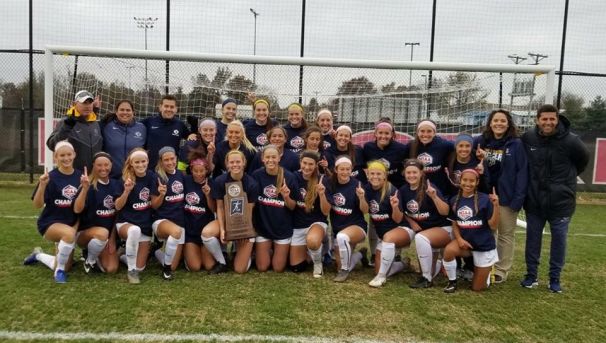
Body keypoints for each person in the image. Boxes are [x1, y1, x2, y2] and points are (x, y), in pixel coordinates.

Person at [520, 104, 589, 293]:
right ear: (537, 120)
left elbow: (582, 162)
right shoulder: (528, 138)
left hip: (561, 202)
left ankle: (554, 278)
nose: (548, 122)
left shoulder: (572, 141)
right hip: (534, 200)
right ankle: (531, 276)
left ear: (557, 119)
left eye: (552, 119)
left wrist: (564, 184)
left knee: (559, 240)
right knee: (532, 240)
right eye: (544, 119)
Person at [474, 109, 527, 283]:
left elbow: (521, 172)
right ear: (490, 123)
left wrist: (518, 198)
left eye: (502, 121)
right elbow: (463, 151)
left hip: (506, 196)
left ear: (508, 123)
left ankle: (502, 270)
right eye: (495, 120)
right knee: (488, 232)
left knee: (505, 234)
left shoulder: (516, 144)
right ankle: (485, 266)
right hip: (484, 194)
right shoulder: (481, 142)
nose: (499, 124)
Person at [24, 141, 82, 283]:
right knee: (68, 235)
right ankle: (59, 272)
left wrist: (75, 227)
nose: (66, 158)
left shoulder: (81, 177)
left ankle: (38, 255)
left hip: (71, 225)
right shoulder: (50, 177)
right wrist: (42, 185)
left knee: (66, 263)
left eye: (69, 154)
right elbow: (37, 205)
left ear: (74, 155)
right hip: (50, 223)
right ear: (56, 157)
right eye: (62, 155)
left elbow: (83, 209)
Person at [442, 169, 500, 293]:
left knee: (477, 288)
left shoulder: (484, 199)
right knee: (448, 251)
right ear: (460, 181)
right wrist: (459, 239)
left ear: (477, 182)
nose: (468, 183)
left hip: (483, 246)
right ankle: (452, 282)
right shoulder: (454, 200)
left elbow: (493, 226)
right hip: (466, 245)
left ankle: (486, 273)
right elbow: (454, 223)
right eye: (465, 180)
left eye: (472, 181)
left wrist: (496, 206)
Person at [398, 159, 451, 289]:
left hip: (443, 229)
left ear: (421, 173)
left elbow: (445, 212)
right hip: (426, 233)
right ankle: (437, 264)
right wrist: (412, 222)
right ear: (404, 173)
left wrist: (434, 197)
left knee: (420, 238)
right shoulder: (403, 190)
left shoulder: (429, 187)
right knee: (427, 266)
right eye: (408, 172)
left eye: (414, 172)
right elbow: (402, 212)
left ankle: (426, 279)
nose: (411, 175)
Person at [318, 155, 368, 282]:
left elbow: (365, 210)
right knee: (338, 265)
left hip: (356, 227)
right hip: (338, 229)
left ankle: (345, 270)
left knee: (342, 238)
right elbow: (325, 211)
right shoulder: (329, 183)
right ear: (336, 169)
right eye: (342, 169)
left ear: (351, 170)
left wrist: (362, 198)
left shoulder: (357, 184)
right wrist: (322, 195)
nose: (345, 172)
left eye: (348, 169)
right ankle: (360, 254)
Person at [114, 148, 161, 284]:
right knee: (134, 230)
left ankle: (124, 256)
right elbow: (117, 206)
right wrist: (126, 191)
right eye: (137, 162)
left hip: (144, 226)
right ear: (131, 164)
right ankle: (131, 271)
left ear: (147, 161)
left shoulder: (152, 177)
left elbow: (153, 204)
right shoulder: (124, 179)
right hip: (125, 224)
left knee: (141, 267)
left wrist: (162, 194)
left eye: (143, 161)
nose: (141, 165)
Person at [363, 160, 412, 287]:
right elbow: (364, 211)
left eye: (379, 174)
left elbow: (397, 219)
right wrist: (361, 197)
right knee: (378, 268)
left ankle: (381, 277)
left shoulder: (392, 190)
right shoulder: (366, 189)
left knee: (388, 239)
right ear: (368, 175)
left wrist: (395, 207)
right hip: (384, 236)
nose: (375, 176)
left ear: (385, 175)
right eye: (372, 173)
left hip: (402, 229)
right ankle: (403, 264)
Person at [211, 150, 259, 274]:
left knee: (239, 269)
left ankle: (249, 252)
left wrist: (243, 231)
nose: (235, 165)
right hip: (227, 220)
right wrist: (222, 230)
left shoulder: (252, 183)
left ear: (244, 163)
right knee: (207, 233)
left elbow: (249, 210)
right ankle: (223, 259)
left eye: (238, 161)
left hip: (245, 223)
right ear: (227, 164)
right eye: (231, 162)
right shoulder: (219, 181)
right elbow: (220, 208)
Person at [73, 152, 122, 274]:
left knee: (111, 269)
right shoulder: (87, 184)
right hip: (86, 234)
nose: (103, 168)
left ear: (111, 165)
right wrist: (84, 190)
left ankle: (95, 252)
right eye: (99, 165)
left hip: (105, 236)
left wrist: (112, 239)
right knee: (102, 232)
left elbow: (116, 215)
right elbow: (77, 209)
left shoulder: (116, 184)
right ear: (93, 166)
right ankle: (90, 260)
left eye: (106, 164)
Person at [252, 145, 298, 272]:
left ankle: (279, 250)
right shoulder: (256, 175)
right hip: (263, 228)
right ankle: (267, 249)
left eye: (273, 157)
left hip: (282, 229)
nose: (270, 160)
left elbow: (293, 206)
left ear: (279, 158)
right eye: (267, 157)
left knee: (278, 268)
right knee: (262, 267)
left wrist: (286, 197)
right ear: (262, 159)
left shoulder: (289, 177)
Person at [290, 150, 328, 278]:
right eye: (304, 163)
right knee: (296, 267)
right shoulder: (293, 177)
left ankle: (318, 262)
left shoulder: (322, 180)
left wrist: (322, 195)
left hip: (316, 222)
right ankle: (316, 250)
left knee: (312, 241)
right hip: (298, 225)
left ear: (316, 165)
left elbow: (326, 211)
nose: (307, 167)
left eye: (311, 164)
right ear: (300, 163)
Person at [151, 147, 187, 280]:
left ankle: (156, 252)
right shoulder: (157, 177)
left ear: (176, 158)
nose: (170, 162)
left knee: (174, 265)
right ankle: (166, 270)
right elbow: (154, 205)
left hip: (179, 222)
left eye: (172, 159)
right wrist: (161, 194)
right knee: (176, 231)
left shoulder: (181, 175)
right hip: (162, 221)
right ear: (161, 161)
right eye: (166, 160)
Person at [46, 90, 103, 171]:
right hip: (73, 176)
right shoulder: (66, 122)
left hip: (94, 175)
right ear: (74, 104)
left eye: (89, 103)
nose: (87, 106)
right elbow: (51, 144)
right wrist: (67, 126)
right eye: (84, 103)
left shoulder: (95, 123)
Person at [182, 155, 217, 273]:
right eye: (195, 171)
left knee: (209, 265)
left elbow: (214, 209)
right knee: (195, 267)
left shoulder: (211, 183)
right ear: (191, 170)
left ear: (207, 170)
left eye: (201, 171)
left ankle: (204, 250)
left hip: (204, 232)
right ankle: (185, 253)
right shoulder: (185, 180)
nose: (198, 174)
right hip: (189, 232)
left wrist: (208, 195)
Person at [406, 119, 454, 197]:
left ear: (434, 133)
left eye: (429, 131)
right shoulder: (411, 146)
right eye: (422, 131)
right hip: (417, 190)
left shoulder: (444, 145)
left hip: (439, 189)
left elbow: (461, 146)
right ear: (417, 132)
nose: (425, 134)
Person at [100, 100, 146, 179]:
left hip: (135, 177)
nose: (125, 112)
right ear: (116, 112)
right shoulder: (107, 126)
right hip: (112, 177)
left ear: (133, 112)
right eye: (122, 110)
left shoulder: (142, 128)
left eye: (128, 110)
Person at [141, 94, 189, 169]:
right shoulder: (149, 121)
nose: (169, 109)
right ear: (160, 107)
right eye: (166, 106)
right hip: (150, 169)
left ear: (176, 109)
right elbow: (133, 126)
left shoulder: (180, 125)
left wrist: (193, 132)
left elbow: (191, 138)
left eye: (172, 107)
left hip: (171, 170)